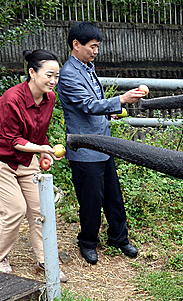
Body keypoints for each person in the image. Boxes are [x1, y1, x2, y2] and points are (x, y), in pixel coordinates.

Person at [57, 21, 144, 265]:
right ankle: (87, 242)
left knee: (113, 196)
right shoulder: (68, 74)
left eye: (97, 47)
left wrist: (110, 112)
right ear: (76, 44)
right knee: (91, 200)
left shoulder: (87, 67)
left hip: (103, 145)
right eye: (92, 47)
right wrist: (121, 100)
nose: (95, 51)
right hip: (85, 150)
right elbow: (87, 105)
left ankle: (118, 237)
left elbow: (95, 106)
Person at [0, 49, 67, 282]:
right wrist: (41, 149)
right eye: (49, 75)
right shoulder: (11, 99)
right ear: (32, 72)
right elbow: (13, 140)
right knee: (15, 209)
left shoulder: (49, 98)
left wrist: (45, 150)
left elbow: (39, 131)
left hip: (26, 158)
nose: (53, 81)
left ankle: (45, 260)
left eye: (57, 76)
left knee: (40, 209)